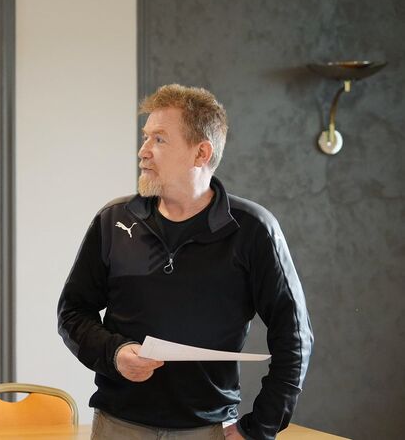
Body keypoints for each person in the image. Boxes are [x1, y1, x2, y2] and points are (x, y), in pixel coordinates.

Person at [57, 84, 313, 440]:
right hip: (117, 426)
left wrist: (260, 428)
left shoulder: (254, 230)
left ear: (201, 153)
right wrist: (115, 353)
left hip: (209, 430)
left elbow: (294, 336)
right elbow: (72, 313)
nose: (143, 151)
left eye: (159, 139)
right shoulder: (113, 220)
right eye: (145, 137)